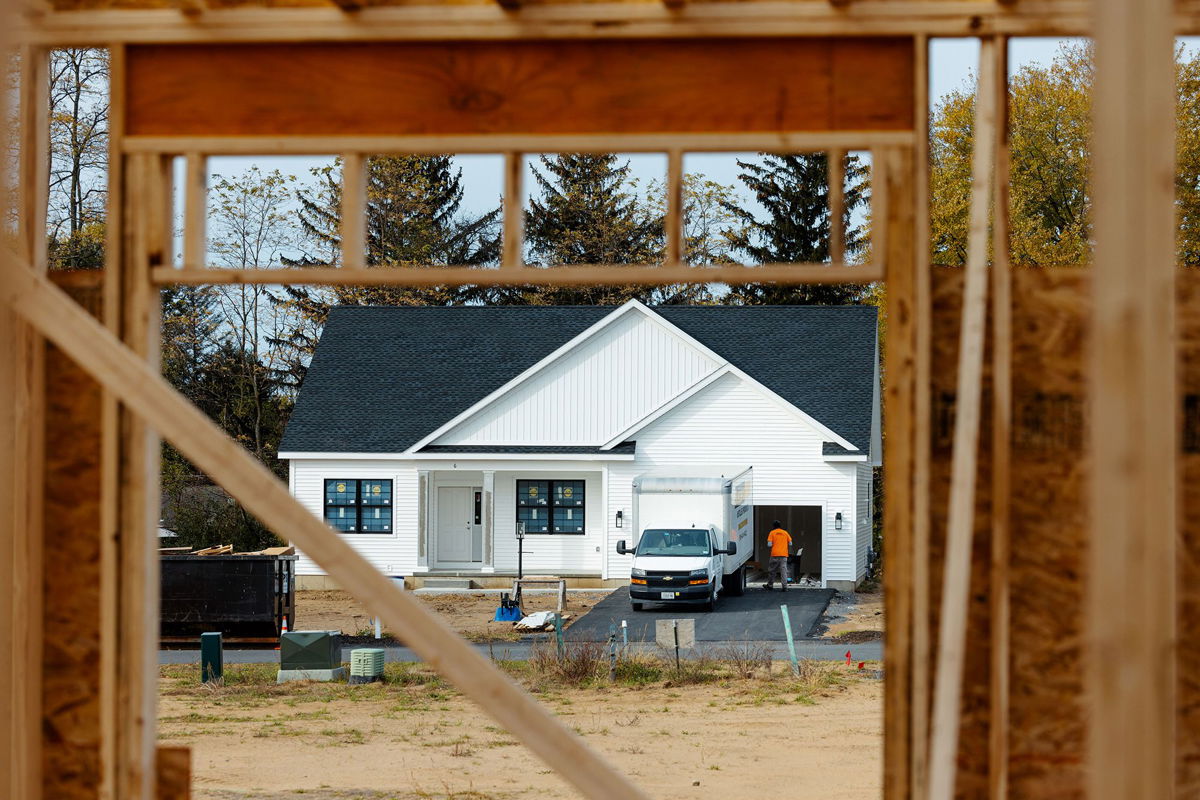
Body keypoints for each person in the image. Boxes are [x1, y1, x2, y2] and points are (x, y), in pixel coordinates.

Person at [765, 520, 792, 591]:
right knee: (783, 571)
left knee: (772, 570)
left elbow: (769, 545)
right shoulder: (785, 533)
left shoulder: (772, 532)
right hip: (783, 555)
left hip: (774, 554)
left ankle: (770, 585)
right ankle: (785, 587)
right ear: (780, 526)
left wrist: (775, 543)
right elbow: (790, 543)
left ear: (773, 526)